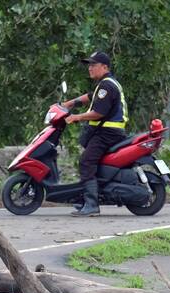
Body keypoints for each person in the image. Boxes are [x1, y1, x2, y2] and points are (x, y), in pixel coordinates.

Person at [60, 51, 128, 217]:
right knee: (91, 161)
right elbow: (91, 97)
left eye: (93, 65)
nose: (89, 68)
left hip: (107, 133)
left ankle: (91, 204)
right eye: (88, 65)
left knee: (86, 161)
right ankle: (87, 198)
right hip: (109, 132)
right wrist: (69, 103)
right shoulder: (106, 84)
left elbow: (98, 112)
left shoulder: (106, 86)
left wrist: (77, 117)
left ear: (104, 67)